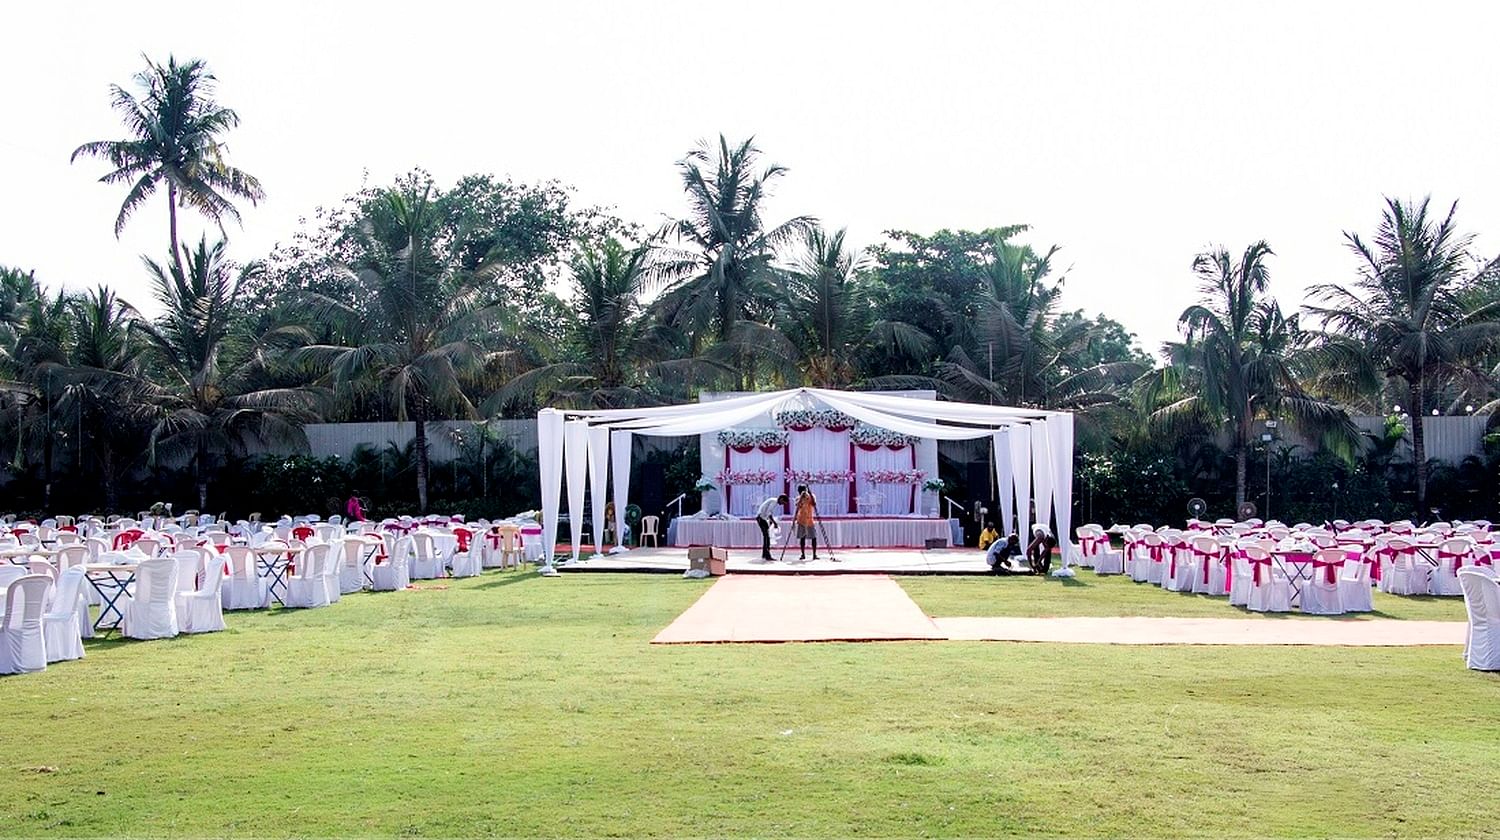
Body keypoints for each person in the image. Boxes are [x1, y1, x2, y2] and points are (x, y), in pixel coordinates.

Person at [755, 494, 789, 561]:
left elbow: (768, 513)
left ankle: (765, 554)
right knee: (767, 537)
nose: (782, 505)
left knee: (766, 537)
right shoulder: (774, 501)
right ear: (781, 499)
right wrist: (774, 522)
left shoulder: (773, 501)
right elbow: (768, 513)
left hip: (762, 518)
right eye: (783, 503)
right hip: (761, 518)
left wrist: (770, 521)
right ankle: (767, 555)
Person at [794, 484, 819, 561]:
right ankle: (803, 554)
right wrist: (801, 497)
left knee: (814, 537)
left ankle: (814, 554)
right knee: (802, 538)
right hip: (801, 520)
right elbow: (798, 506)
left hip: (810, 520)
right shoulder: (798, 498)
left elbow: (814, 504)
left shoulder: (811, 497)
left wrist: (810, 493)